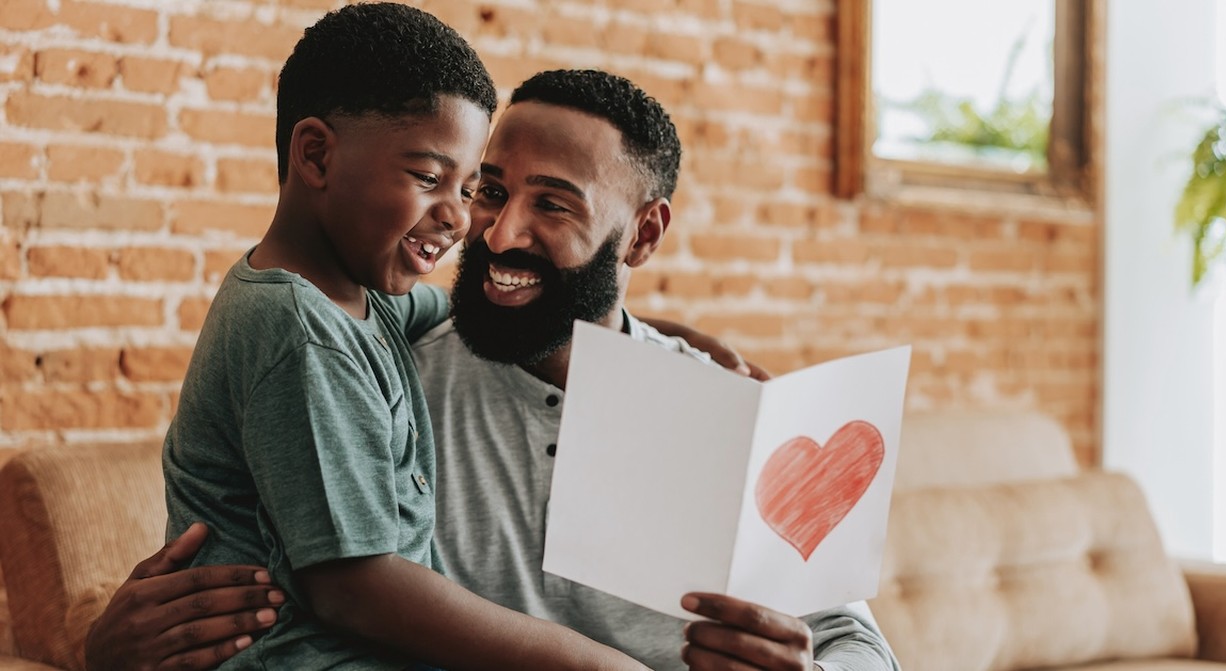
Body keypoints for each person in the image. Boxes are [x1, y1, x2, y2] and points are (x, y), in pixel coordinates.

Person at [86, 68, 901, 671]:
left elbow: (858, 640)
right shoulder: (377, 382)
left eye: (553, 204)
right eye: (490, 190)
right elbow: (251, 580)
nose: (500, 234)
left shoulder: (731, 412)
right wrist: (104, 645)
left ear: (644, 235)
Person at [158, 4, 648, 670]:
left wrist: (644, 331)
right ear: (316, 154)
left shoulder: (363, 299)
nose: (458, 217)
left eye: (469, 185)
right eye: (428, 178)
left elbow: (467, 306)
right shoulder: (299, 332)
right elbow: (355, 588)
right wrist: (589, 661)